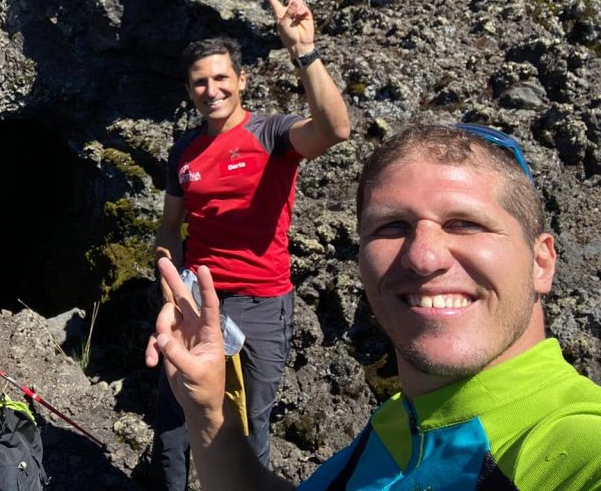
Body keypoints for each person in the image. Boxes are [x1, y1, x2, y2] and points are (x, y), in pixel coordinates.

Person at [147, 124, 601, 490]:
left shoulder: (577, 449)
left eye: (465, 224)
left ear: (542, 262)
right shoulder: (397, 423)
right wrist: (209, 408)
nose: (424, 257)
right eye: (392, 227)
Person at [152, 0, 351, 489]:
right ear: (189, 90)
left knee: (249, 422)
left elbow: (334, 129)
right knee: (175, 422)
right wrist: (172, 290)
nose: (211, 90)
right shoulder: (184, 153)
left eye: (221, 78)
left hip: (262, 304)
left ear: (241, 80)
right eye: (199, 82)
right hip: (198, 302)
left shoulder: (272, 134)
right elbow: (170, 229)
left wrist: (305, 52)